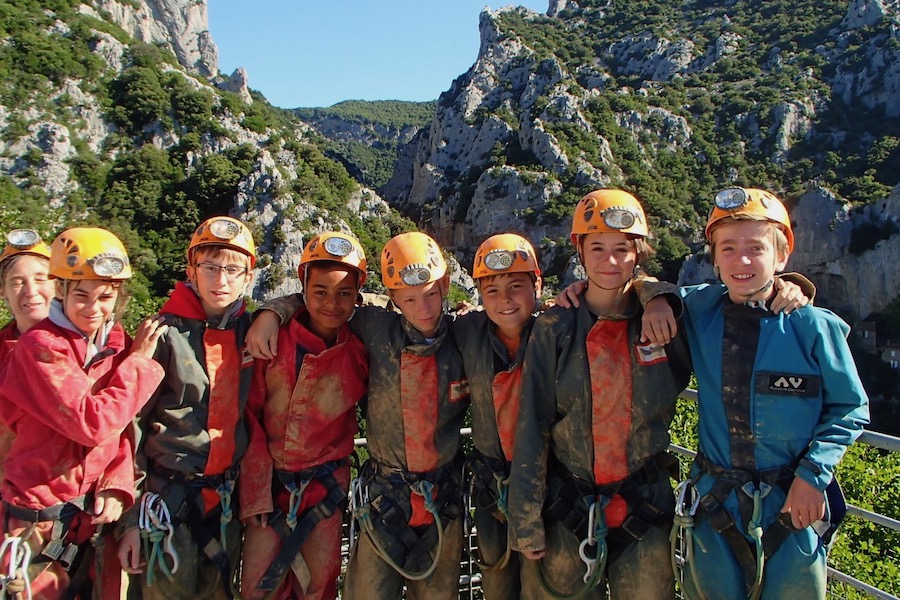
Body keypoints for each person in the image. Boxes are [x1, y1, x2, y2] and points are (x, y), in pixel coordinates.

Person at [668, 187, 870, 599]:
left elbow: (850, 406)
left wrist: (814, 476)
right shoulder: (698, 311)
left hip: (793, 501)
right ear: (714, 258)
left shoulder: (813, 326)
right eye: (728, 249)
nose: (741, 261)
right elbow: (636, 291)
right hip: (715, 503)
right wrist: (654, 300)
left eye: (756, 248)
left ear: (781, 257)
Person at [246, 231, 469, 600]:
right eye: (410, 298)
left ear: (446, 285)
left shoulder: (465, 335)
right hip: (380, 497)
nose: (424, 308)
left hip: (440, 496)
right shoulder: (373, 329)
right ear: (395, 299)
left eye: (431, 294)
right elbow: (327, 301)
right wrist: (273, 310)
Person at [507, 189, 694, 600]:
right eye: (598, 248)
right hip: (566, 508)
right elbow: (532, 424)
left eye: (623, 249)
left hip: (645, 508)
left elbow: (732, 299)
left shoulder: (667, 322)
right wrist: (525, 519)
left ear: (638, 252)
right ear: (579, 249)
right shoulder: (554, 327)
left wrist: (658, 294)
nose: (610, 261)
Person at [0, 226, 166, 599]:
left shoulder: (113, 342)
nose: (93, 308)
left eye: (105, 297)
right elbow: (92, 424)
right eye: (81, 295)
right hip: (39, 526)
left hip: (90, 526)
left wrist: (117, 486)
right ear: (60, 291)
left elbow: (122, 430)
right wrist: (138, 365)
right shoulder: (40, 347)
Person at [116, 216, 257, 599]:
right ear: (191, 271)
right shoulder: (162, 335)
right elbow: (129, 428)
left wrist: (276, 314)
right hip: (167, 503)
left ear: (248, 277)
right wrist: (128, 521)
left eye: (232, 270)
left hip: (223, 504)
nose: (221, 280)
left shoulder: (250, 332)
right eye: (210, 268)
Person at [238, 232, 369, 600]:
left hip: (324, 488)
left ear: (357, 294)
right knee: (259, 589)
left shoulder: (358, 349)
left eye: (344, 293)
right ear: (303, 289)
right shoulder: (273, 340)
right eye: (320, 292)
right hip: (269, 487)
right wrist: (254, 495)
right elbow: (251, 417)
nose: (332, 303)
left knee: (320, 587)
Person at [453, 233, 543, 599]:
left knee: (544, 585)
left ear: (537, 285)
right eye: (492, 291)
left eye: (516, 286)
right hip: (492, 490)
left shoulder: (556, 333)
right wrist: (277, 310)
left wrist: (656, 297)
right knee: (496, 584)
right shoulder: (467, 332)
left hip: (547, 488)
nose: (505, 299)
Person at [0, 229, 55, 483]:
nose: (30, 291)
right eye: (17, 281)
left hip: (77, 505)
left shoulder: (93, 347)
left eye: (41, 278)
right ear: (3, 291)